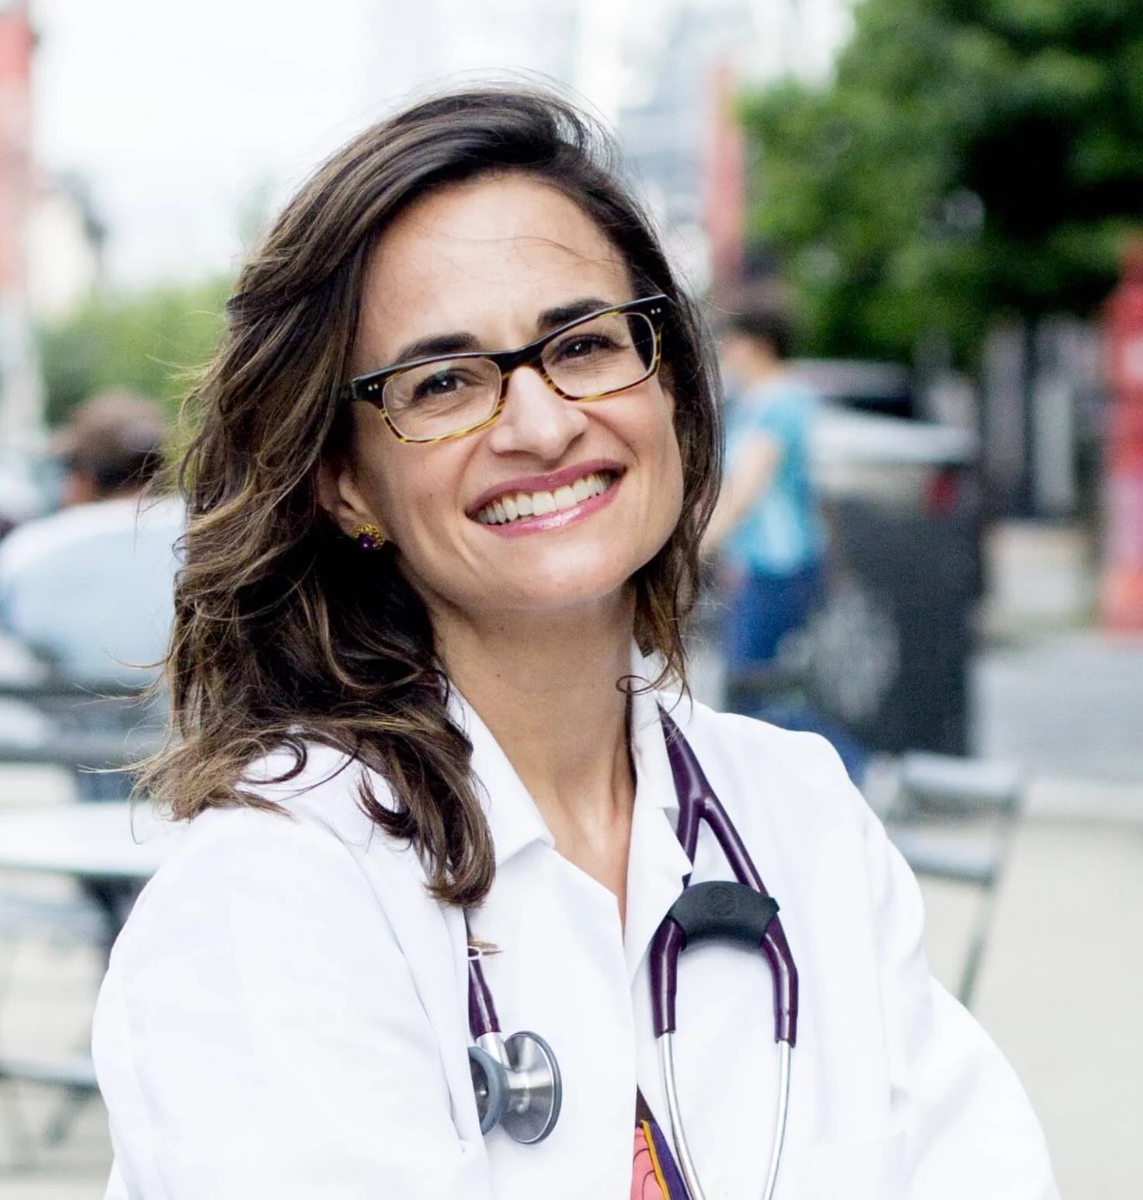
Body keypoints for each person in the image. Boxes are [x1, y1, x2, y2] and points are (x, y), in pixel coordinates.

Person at [91, 86, 1058, 1199]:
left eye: (586, 344)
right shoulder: (273, 887)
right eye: (444, 381)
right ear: (346, 482)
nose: (543, 423)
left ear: (671, 388)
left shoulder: (800, 818)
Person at [0, 390, 183, 694]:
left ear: (82, 478)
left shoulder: (29, 551)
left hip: (73, 736)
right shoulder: (216, 535)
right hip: (200, 733)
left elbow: (9, 638)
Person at [701, 301, 827, 709]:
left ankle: (848, 764)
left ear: (759, 345)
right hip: (764, 561)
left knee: (753, 685)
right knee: (760, 682)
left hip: (776, 561)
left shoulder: (778, 403)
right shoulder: (760, 402)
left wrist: (696, 550)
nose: (725, 351)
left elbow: (745, 491)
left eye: (732, 341)